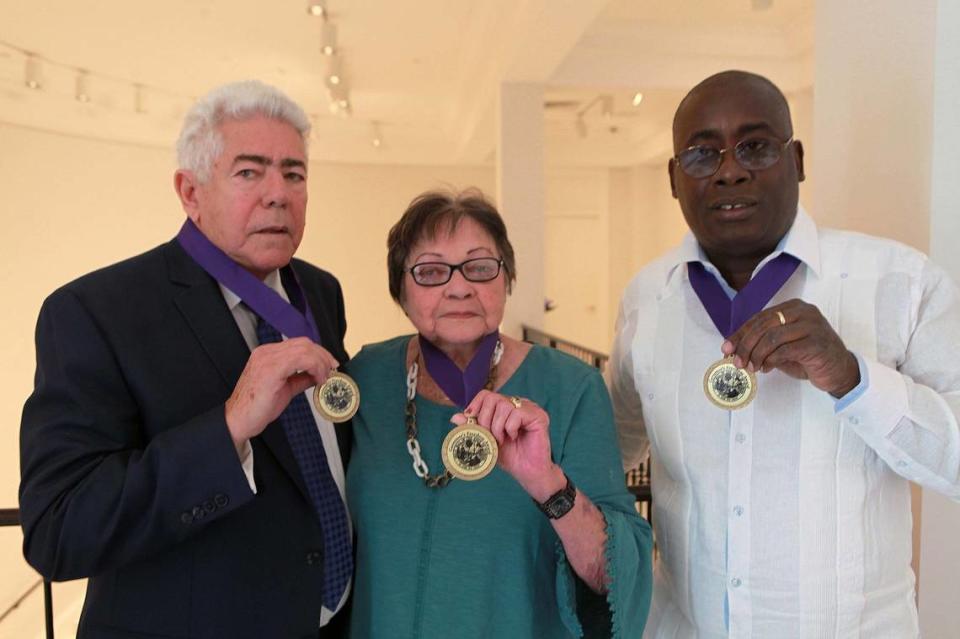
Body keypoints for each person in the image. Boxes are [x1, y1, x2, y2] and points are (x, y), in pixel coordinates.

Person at [608, 69, 960, 638]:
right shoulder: (647, 299)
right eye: (702, 154)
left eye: (755, 145)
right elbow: (613, 450)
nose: (730, 170)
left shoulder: (900, 282)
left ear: (796, 160)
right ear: (674, 178)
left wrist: (853, 378)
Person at [19, 81, 353, 638]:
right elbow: (60, 531)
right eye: (249, 172)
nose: (278, 194)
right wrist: (228, 428)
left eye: (293, 173)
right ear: (190, 191)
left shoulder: (321, 292)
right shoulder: (93, 312)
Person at [344, 189, 653, 638]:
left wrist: (546, 482)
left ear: (506, 280)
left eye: (480, 267)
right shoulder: (368, 378)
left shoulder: (570, 388)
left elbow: (618, 576)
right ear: (400, 290)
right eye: (431, 271)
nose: (459, 286)